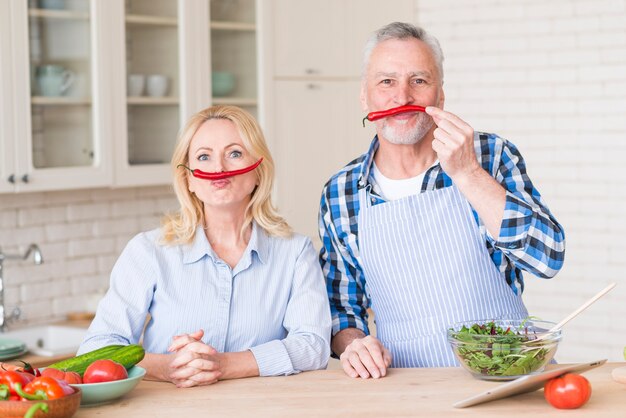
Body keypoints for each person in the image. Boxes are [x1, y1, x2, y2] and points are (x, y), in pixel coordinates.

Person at [318, 22, 565, 379]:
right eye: (386, 81)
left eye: (419, 80)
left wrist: (468, 174)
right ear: (364, 96)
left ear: (441, 95)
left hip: (509, 376)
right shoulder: (340, 192)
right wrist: (354, 344)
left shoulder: (490, 156)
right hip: (403, 386)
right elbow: (341, 308)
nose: (402, 97)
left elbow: (548, 258)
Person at [79, 105, 331, 387]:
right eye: (203, 157)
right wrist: (167, 367)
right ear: (188, 179)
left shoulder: (295, 253)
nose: (219, 168)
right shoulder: (148, 251)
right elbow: (95, 350)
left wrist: (223, 365)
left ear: (258, 171)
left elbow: (313, 346)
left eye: (234, 153)